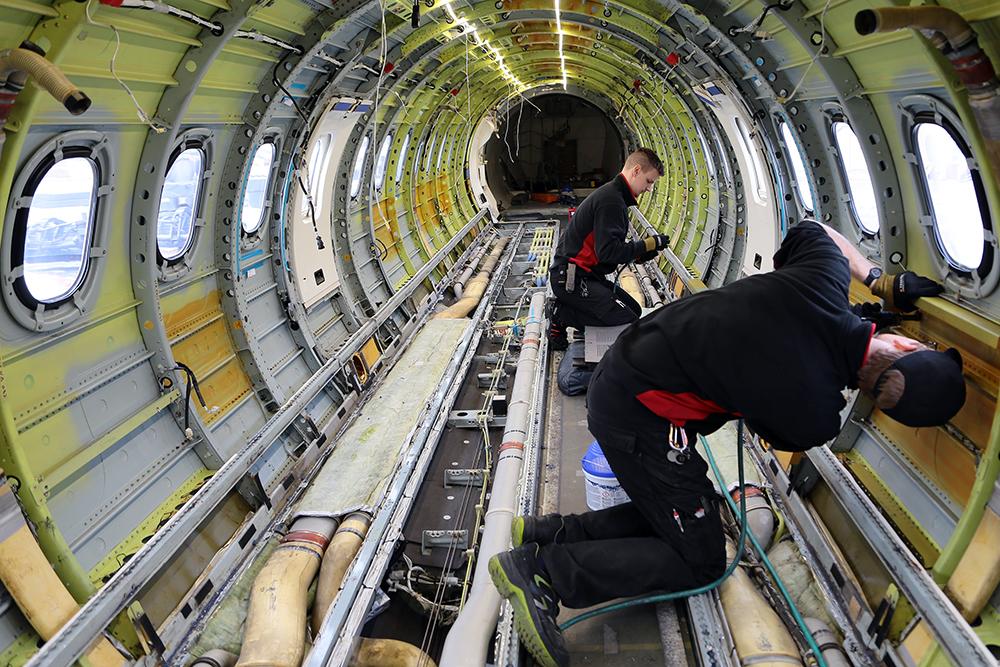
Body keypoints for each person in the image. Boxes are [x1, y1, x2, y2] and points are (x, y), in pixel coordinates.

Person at [489, 219, 966, 667]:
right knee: (701, 560)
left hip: (629, 366)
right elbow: (777, 420)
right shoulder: (816, 412)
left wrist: (877, 279)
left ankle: (551, 533)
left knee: (688, 509)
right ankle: (546, 572)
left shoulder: (822, 279)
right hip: (639, 415)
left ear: (904, 344)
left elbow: (813, 229)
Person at [546, 148, 671, 350]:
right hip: (572, 280)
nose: (649, 189)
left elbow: (606, 252)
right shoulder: (611, 201)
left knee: (634, 310)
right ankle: (561, 314)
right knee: (625, 320)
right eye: (649, 181)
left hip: (587, 276)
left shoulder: (614, 196)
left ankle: (572, 312)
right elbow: (608, 252)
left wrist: (639, 255)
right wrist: (646, 244)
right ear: (636, 171)